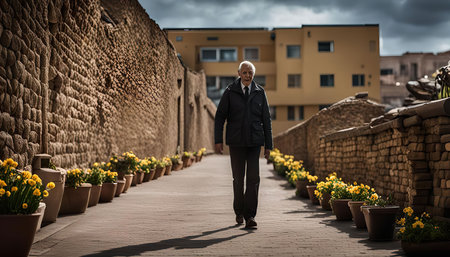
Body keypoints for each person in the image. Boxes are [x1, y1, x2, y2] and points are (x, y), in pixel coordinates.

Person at [214, 61, 273, 229]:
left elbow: (266, 121)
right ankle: (239, 211)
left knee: (253, 179)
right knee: (238, 179)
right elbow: (220, 117)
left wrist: (269, 145)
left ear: (253, 75)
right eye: (245, 72)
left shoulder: (260, 93)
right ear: (239, 73)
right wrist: (218, 140)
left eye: (250, 73)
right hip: (237, 142)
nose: (248, 76)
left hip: (254, 142)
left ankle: (250, 216)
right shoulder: (230, 92)